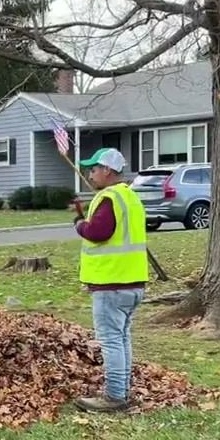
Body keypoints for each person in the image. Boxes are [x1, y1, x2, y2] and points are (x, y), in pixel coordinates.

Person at [72, 147, 149, 413]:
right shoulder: (130, 197)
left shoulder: (109, 198)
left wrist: (80, 224)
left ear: (108, 171)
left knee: (111, 340)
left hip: (111, 283)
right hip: (133, 282)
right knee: (122, 337)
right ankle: (122, 391)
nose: (90, 174)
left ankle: (115, 396)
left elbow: (98, 232)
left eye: (93, 169)